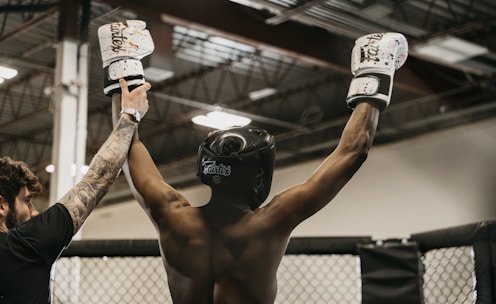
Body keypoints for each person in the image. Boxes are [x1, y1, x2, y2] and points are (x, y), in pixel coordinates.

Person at [117, 32, 408, 304]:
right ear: (258, 175)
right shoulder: (271, 222)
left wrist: (122, 70)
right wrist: (373, 76)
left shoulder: (171, 215)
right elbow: (353, 151)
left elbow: (127, 147)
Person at [0, 78, 151, 303]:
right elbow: (97, 179)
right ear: (2, 205)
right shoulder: (24, 246)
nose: (33, 212)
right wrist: (130, 114)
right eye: (26, 201)